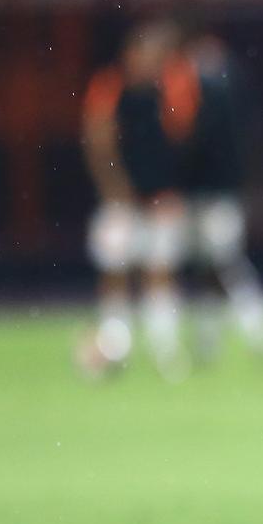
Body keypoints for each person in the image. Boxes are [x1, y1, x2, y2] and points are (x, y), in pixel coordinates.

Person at [79, 20, 197, 381]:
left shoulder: (172, 88)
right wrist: (116, 189)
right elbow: (98, 142)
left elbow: (182, 142)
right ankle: (115, 347)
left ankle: (166, 351)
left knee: (160, 272)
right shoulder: (110, 87)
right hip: (121, 201)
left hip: (160, 199)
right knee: (115, 271)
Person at [181, 31, 263, 361]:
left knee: (226, 264)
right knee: (210, 269)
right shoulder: (228, 93)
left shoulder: (214, 95)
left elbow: (204, 148)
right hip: (211, 195)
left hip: (216, 196)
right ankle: (209, 340)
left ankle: (261, 329)